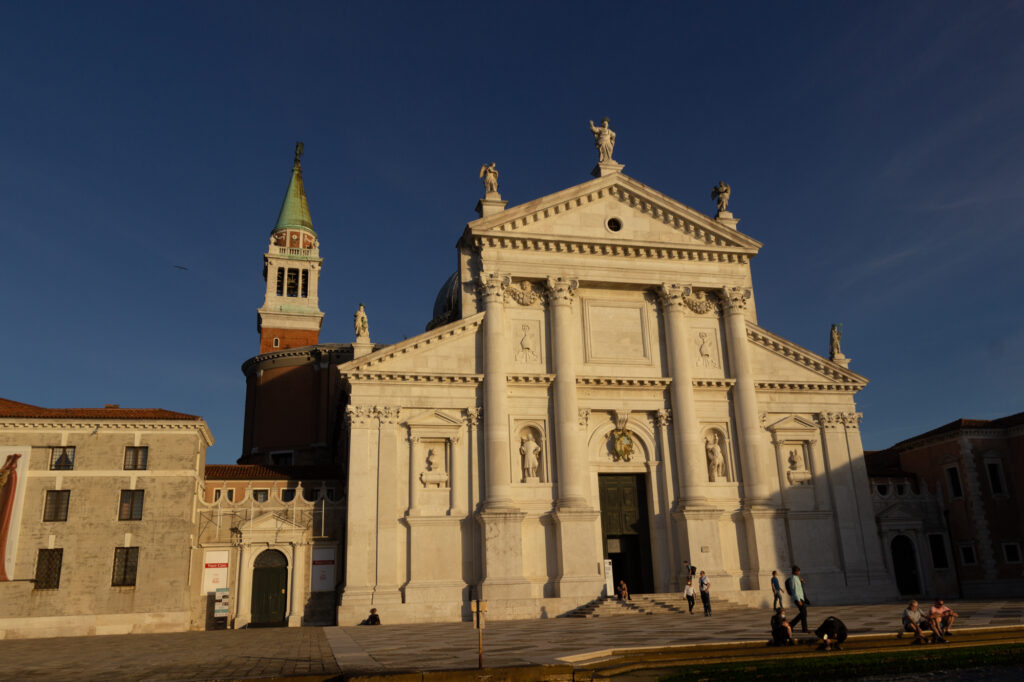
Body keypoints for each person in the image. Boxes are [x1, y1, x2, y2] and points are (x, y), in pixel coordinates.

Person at [786, 565, 808, 633]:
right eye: (798, 571)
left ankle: (804, 629)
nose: (799, 572)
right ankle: (791, 624)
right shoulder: (793, 579)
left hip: (800, 598)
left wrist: (800, 581)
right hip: (798, 598)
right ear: (795, 571)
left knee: (803, 613)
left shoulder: (796, 578)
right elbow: (795, 590)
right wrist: (798, 600)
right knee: (803, 613)